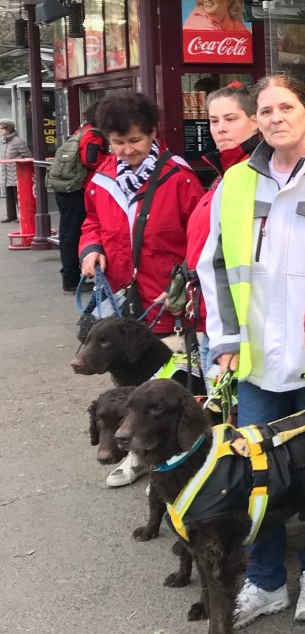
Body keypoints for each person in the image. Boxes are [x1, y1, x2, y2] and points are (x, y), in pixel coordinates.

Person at [197, 74, 305, 628]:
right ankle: (264, 583)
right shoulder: (236, 182)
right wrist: (226, 340)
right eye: (265, 110)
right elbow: (214, 265)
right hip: (257, 360)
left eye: (286, 106)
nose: (275, 117)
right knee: (253, 478)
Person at [80, 92, 203, 487]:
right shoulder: (100, 181)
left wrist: (184, 281)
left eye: (135, 140)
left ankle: (173, 459)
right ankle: (136, 455)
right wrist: (92, 248)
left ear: (152, 134)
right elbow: (92, 223)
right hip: (123, 301)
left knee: (170, 389)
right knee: (129, 389)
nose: (127, 150)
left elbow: (199, 237)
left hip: (167, 300)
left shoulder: (179, 177)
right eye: (118, 143)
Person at [185, 84, 260, 382]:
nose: (220, 129)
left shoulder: (251, 174)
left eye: (231, 119)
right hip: (209, 317)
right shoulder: (224, 173)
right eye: (214, 121)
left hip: (237, 327)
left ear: (254, 121)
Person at [54, 102, 109, 293]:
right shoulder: (94, 136)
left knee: (67, 233)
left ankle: (69, 276)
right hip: (78, 190)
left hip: (65, 188)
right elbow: (91, 160)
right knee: (73, 234)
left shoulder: (81, 130)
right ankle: (70, 279)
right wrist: (109, 158)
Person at [0, 119, 31, 223]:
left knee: (18, 196)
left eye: (1, 128)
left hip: (17, 172)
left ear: (8, 129)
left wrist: (17, 162)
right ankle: (11, 215)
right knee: (9, 196)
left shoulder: (17, 141)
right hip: (7, 173)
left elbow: (27, 156)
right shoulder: (3, 141)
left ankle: (21, 215)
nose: (0, 131)